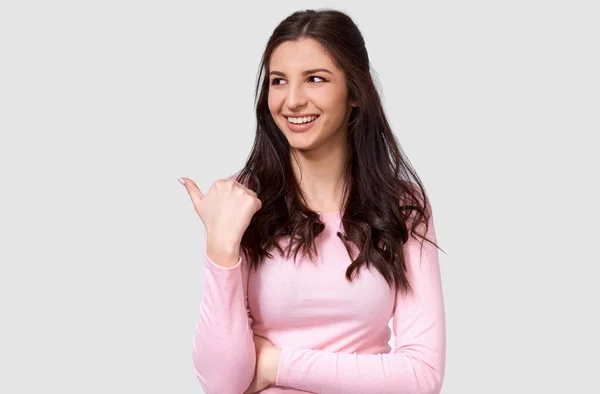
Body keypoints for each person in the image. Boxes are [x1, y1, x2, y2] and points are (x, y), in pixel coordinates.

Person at [179, 8, 446, 394]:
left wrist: (276, 364)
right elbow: (222, 383)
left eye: (315, 79)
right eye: (278, 81)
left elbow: (421, 377)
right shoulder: (241, 200)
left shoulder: (402, 206)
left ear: (354, 91)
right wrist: (220, 248)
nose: (292, 101)